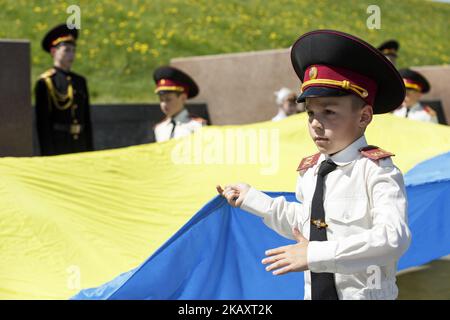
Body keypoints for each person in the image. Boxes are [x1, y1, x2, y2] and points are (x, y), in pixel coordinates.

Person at [217, 30, 411, 300]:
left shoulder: (376, 170)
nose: (316, 123)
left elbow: (392, 238)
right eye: (310, 113)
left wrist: (314, 254)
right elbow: (305, 222)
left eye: (329, 112)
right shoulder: (311, 170)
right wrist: (252, 199)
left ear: (364, 116)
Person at [35, 23, 93, 156]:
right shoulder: (46, 82)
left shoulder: (80, 81)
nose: (71, 55)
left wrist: (90, 151)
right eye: (66, 50)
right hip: (59, 145)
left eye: (73, 50)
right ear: (54, 52)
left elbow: (87, 120)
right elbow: (42, 124)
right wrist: (48, 154)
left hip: (80, 145)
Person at [153, 66, 206, 142]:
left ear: (183, 98)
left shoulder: (197, 126)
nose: (164, 104)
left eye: (168, 99)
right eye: (161, 100)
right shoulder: (159, 128)